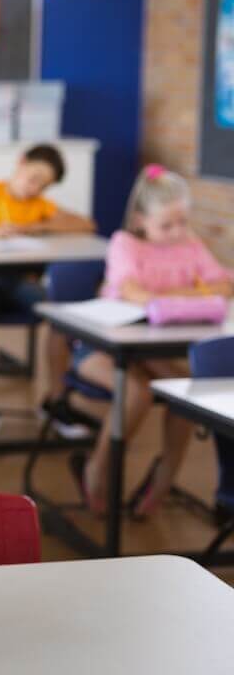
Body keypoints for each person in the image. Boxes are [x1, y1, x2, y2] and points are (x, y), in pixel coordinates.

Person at [67, 165, 231, 518]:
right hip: (100, 350)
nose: (178, 233)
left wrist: (166, 296)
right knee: (136, 393)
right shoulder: (125, 244)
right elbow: (133, 292)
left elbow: (224, 284)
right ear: (141, 220)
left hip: (153, 352)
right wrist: (192, 293)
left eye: (183, 222)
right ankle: (98, 470)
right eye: (167, 225)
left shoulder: (190, 245)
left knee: (185, 394)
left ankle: (163, 481)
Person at [0, 145, 96, 434]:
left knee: (61, 314)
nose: (35, 188)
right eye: (33, 178)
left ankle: (55, 399)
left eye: (43, 185)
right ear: (20, 164)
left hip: (21, 284)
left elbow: (86, 224)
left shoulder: (38, 207)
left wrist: (35, 227)